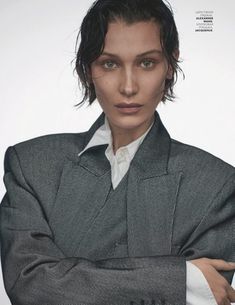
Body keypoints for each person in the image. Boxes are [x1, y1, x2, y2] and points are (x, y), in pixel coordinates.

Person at [0, 0, 235, 304]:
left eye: (147, 63)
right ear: (87, 69)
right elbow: (30, 284)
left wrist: (61, 275)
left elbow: (208, 294)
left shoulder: (217, 185)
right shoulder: (31, 165)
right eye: (109, 63)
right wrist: (177, 278)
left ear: (170, 65)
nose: (128, 86)